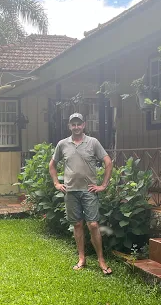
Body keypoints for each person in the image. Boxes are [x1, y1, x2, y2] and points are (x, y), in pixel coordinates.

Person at [49, 112, 114, 275]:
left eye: (79, 124)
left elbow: (108, 162)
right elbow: (52, 165)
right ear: (69, 126)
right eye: (73, 124)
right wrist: (56, 183)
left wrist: (103, 185)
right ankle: (82, 259)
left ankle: (101, 260)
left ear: (84, 125)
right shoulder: (62, 144)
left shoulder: (93, 142)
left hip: (89, 191)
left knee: (93, 225)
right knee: (77, 224)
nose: (76, 127)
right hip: (70, 191)